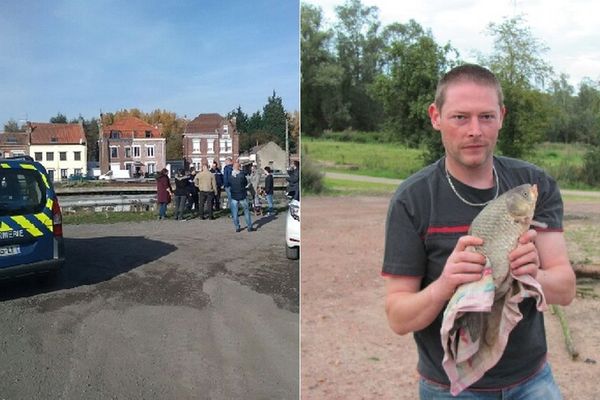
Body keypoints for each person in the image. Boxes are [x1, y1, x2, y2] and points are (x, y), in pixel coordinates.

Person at [383, 64, 576, 399]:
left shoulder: (534, 185)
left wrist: (533, 276)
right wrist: (445, 285)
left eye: (486, 116)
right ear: (435, 117)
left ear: (501, 116)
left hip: (532, 381)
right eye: (460, 117)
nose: (475, 130)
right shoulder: (411, 200)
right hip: (451, 388)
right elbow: (399, 318)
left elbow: (566, 288)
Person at [228, 161, 253, 232]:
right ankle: (249, 226)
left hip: (234, 195)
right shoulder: (242, 176)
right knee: (246, 211)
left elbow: (228, 184)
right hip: (242, 195)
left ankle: (237, 227)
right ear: (239, 167)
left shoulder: (230, 177)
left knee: (235, 212)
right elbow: (245, 183)